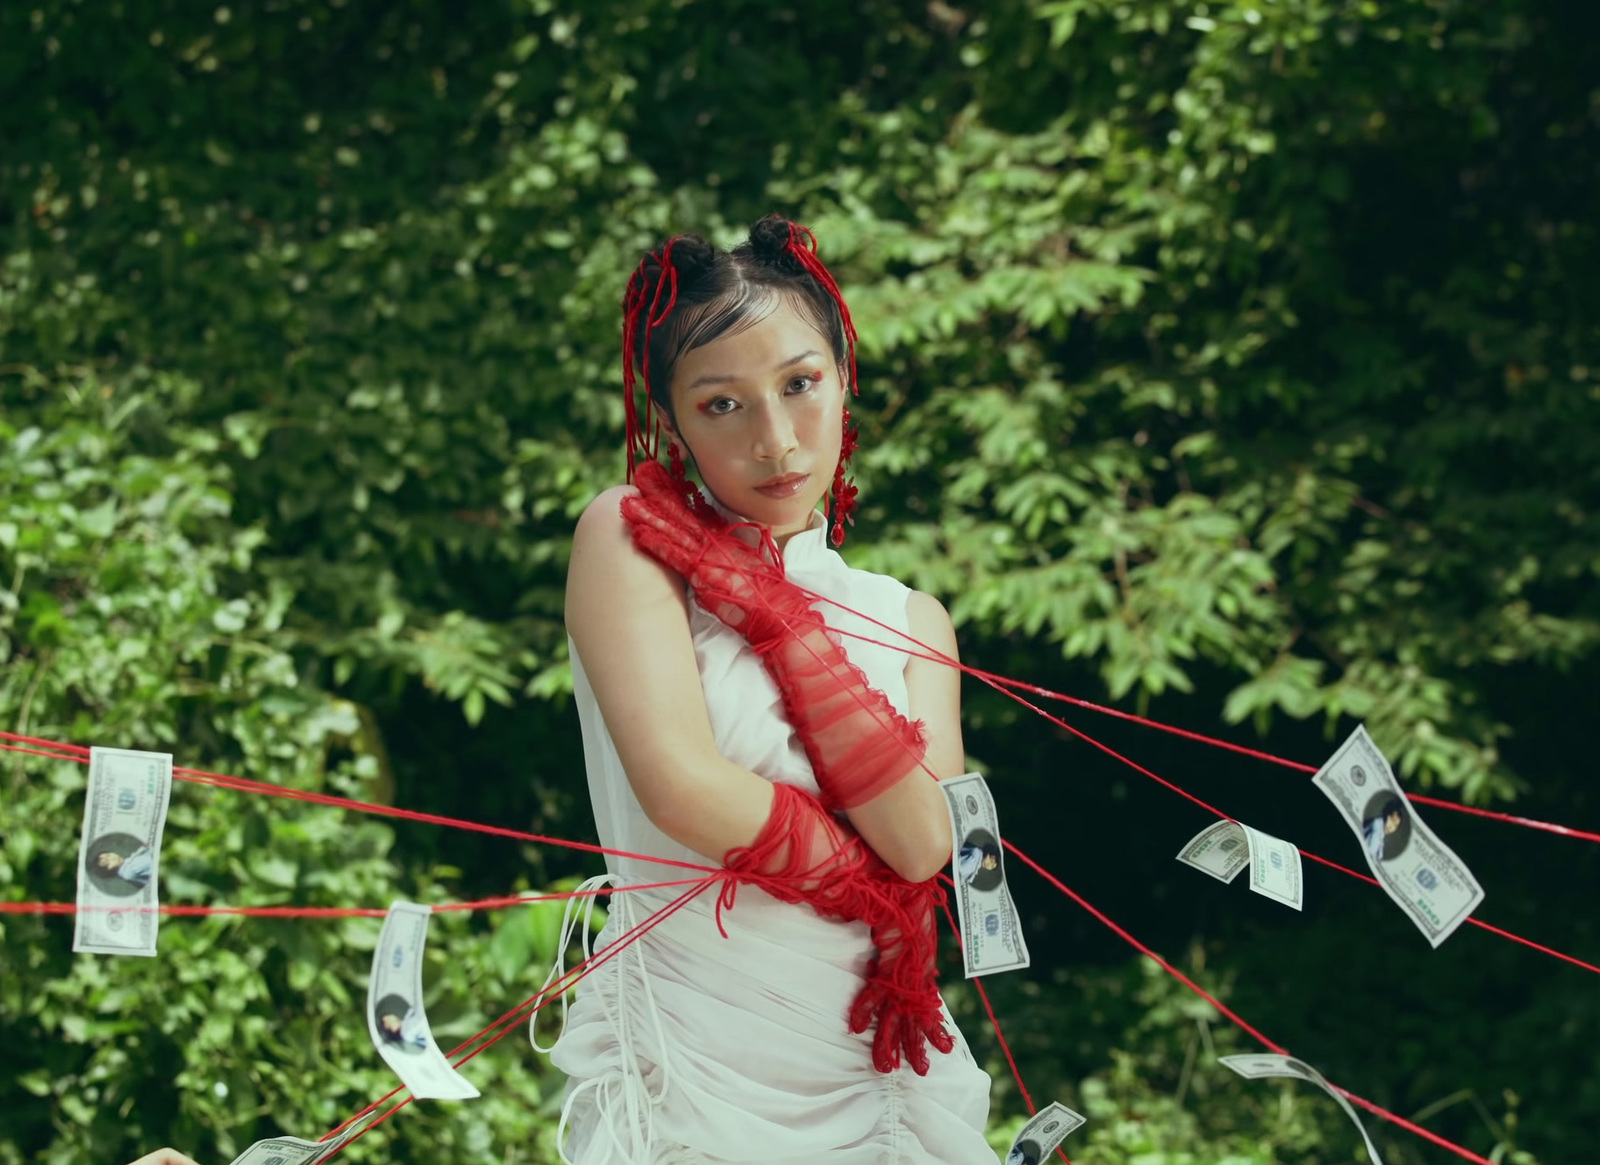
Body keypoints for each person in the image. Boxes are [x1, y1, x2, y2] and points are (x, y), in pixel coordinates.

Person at [544, 216, 993, 1163]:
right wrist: (865, 874)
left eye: (800, 385)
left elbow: (922, 846)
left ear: (843, 379)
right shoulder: (630, 541)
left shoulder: (911, 619)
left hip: (877, 1068)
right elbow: (680, 784)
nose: (777, 438)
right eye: (722, 405)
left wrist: (784, 625)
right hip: (697, 1064)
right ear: (670, 420)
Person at [1362, 797, 1405, 863]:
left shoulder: (1381, 834)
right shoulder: (1377, 828)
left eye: (1395, 825)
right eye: (1392, 820)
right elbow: (1370, 852)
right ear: (1387, 815)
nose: (1392, 827)